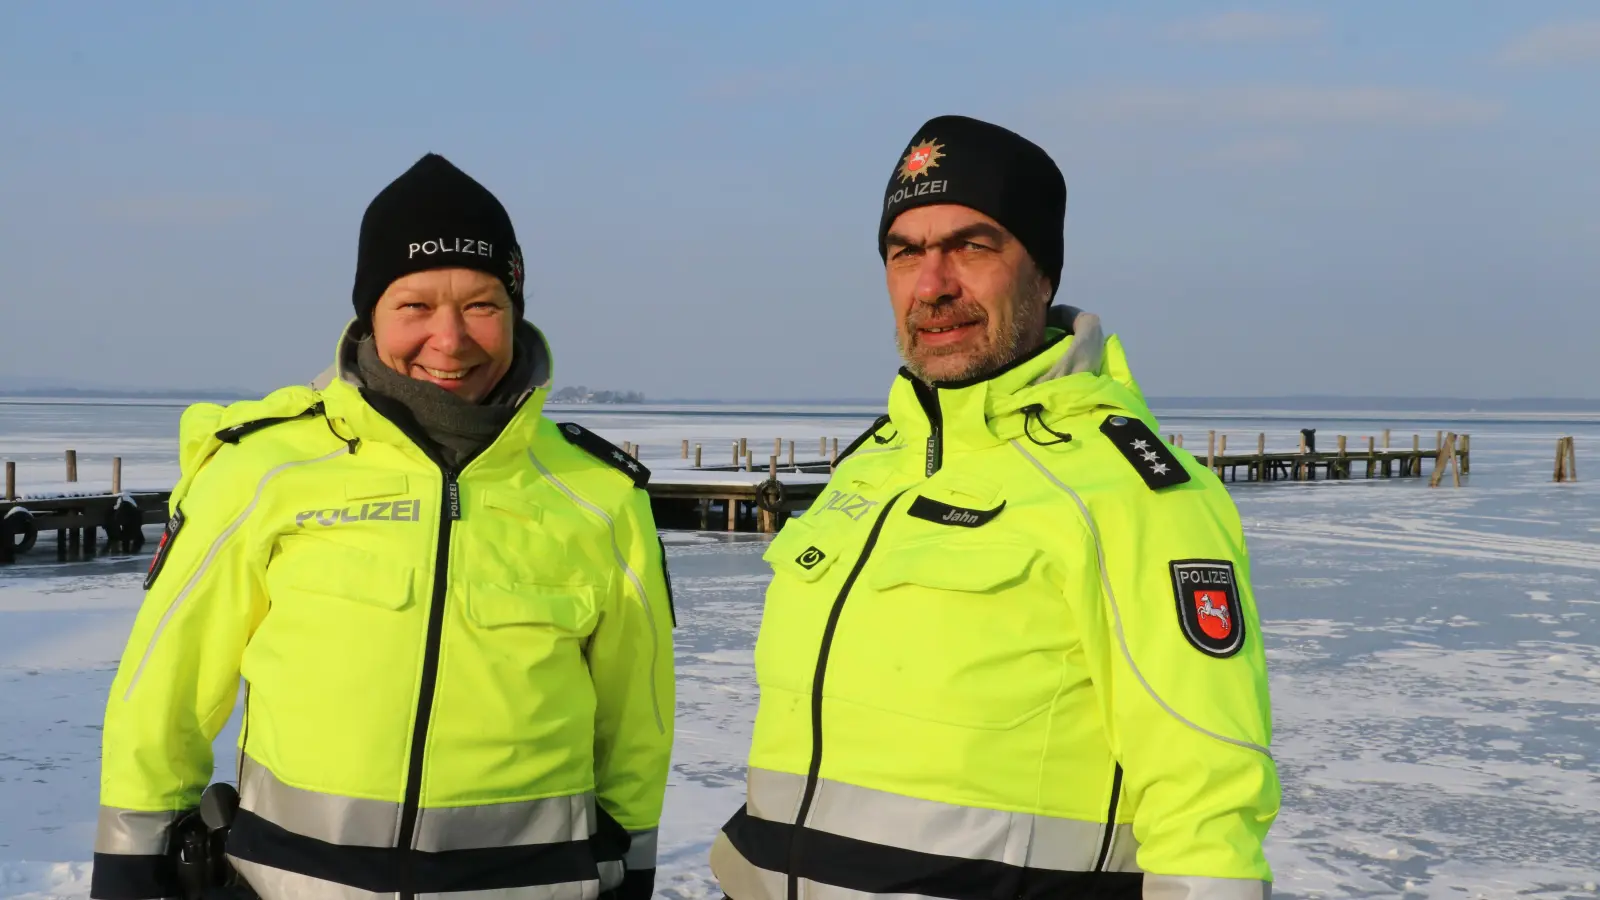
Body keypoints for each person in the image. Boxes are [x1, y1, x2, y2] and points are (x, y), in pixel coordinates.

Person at [709, 116, 1280, 899]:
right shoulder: (869, 471)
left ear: (1041, 272)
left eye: (972, 247)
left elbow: (1208, 793)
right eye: (905, 252)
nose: (933, 284)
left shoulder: (1132, 493)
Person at [90, 153, 676, 900]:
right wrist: (132, 864)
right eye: (416, 306)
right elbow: (163, 689)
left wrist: (633, 859)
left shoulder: (598, 495)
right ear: (371, 310)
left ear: (516, 311)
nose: (450, 338)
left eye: (482, 305)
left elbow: (639, 716)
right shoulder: (265, 470)